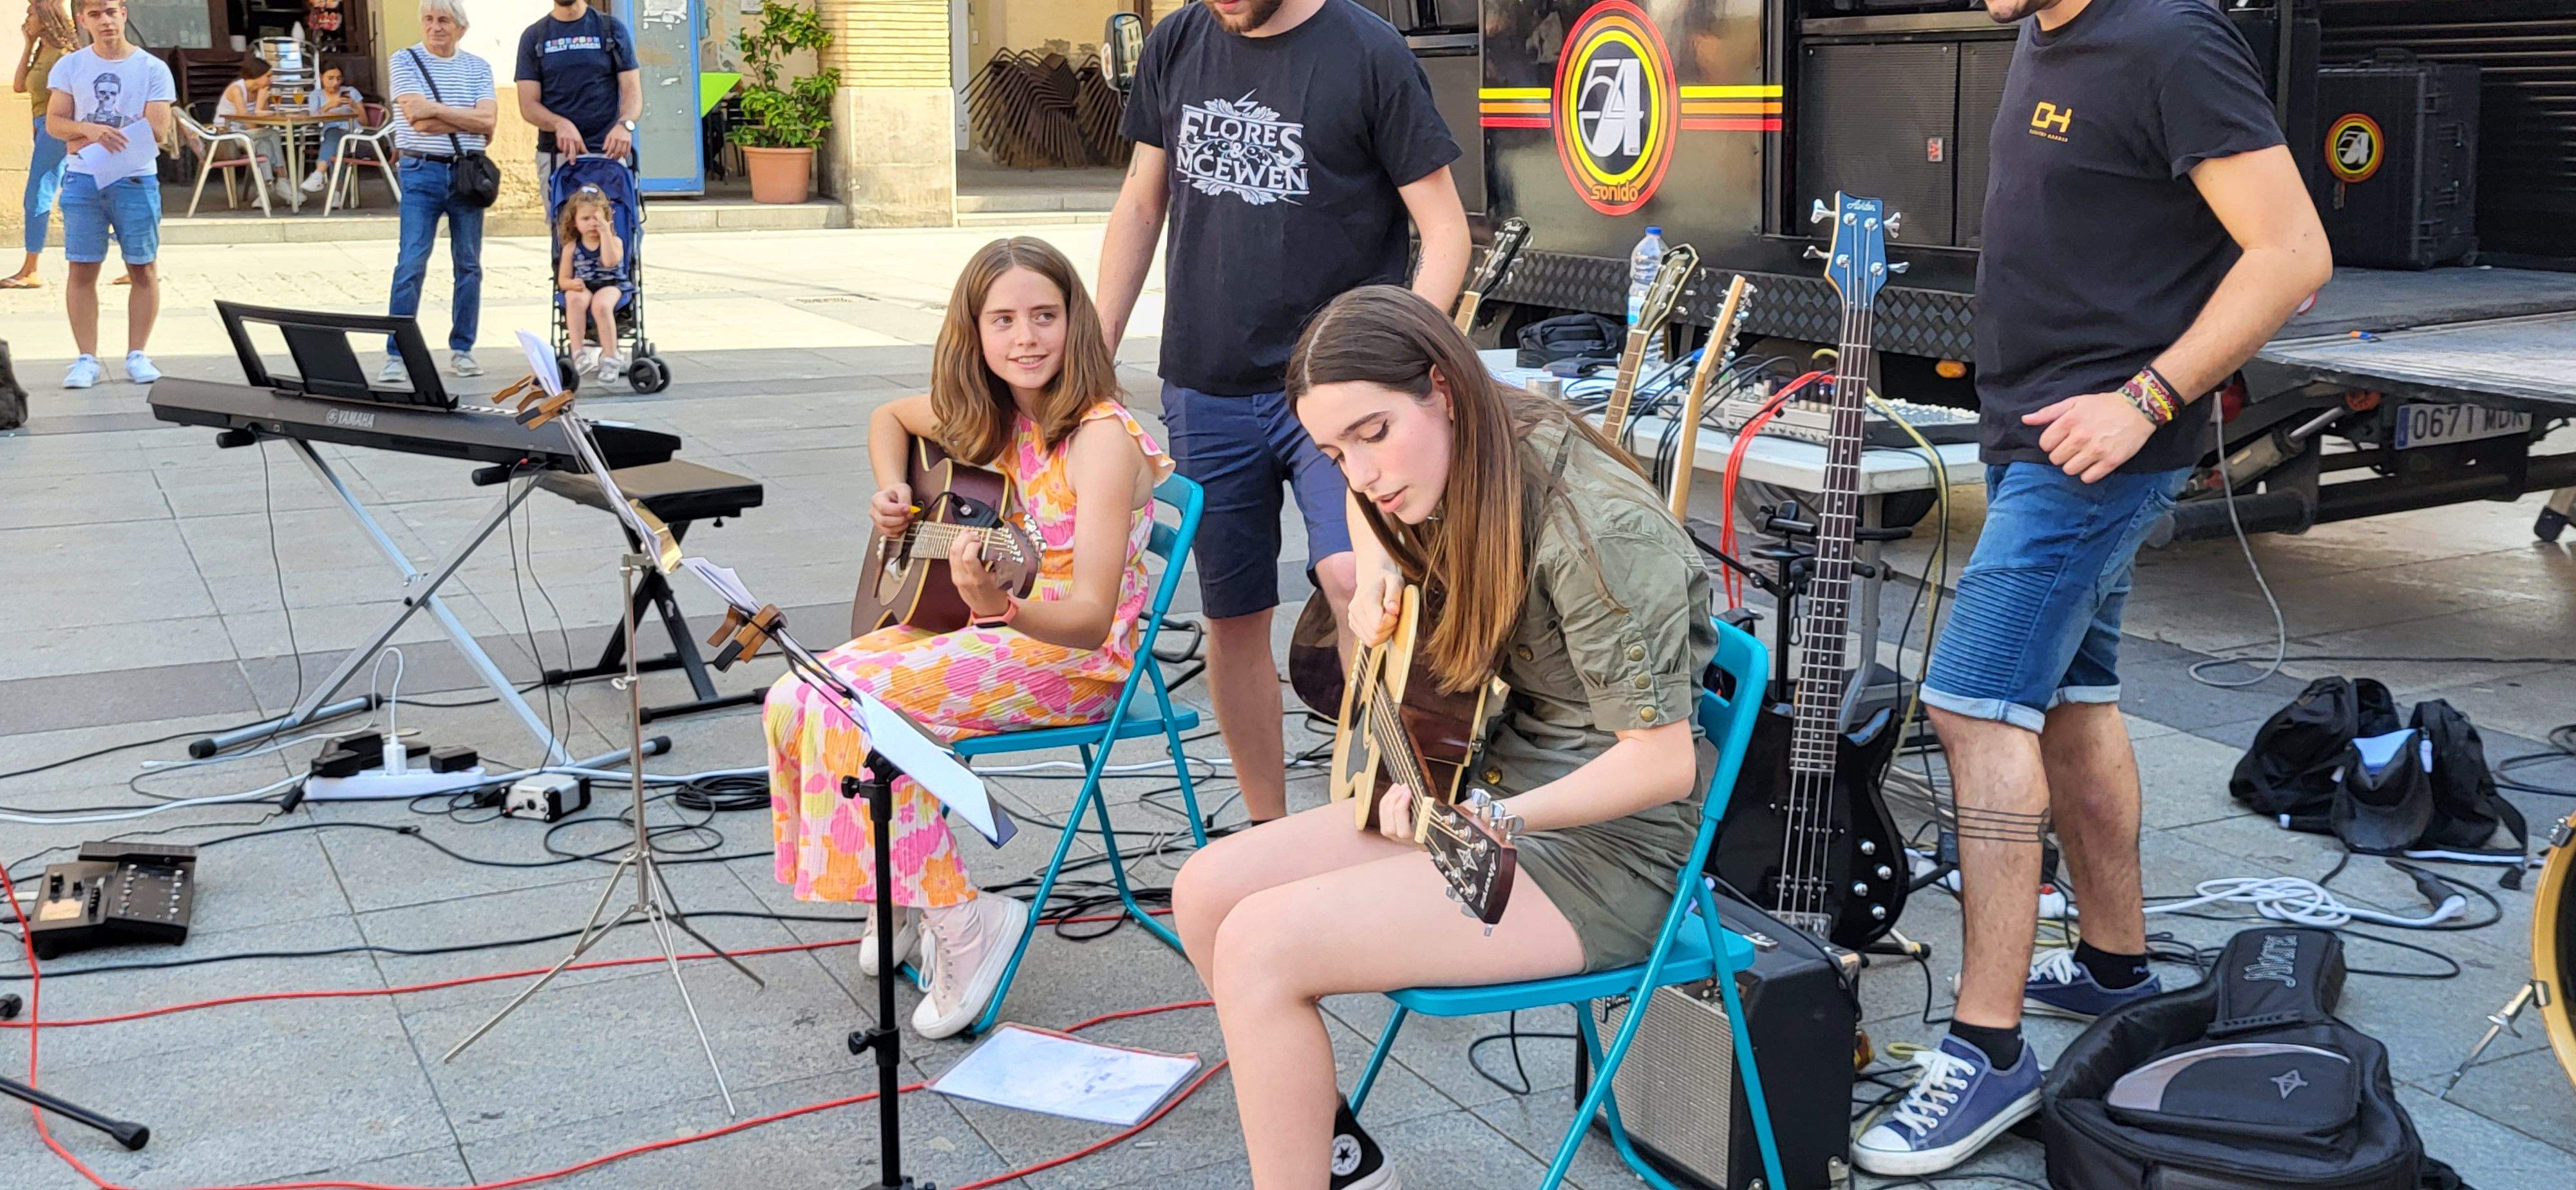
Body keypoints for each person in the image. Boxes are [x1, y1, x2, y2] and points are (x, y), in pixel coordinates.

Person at [1850, 0, 2331, 1176]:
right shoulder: (2047, 30)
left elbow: (2293, 254)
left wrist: (2145, 398)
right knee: (2073, 699)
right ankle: (2117, 966)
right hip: (2039, 435)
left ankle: (1989, 1047)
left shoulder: (2171, 39)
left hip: (2097, 448)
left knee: (1972, 706)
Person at [1172, 286, 1716, 1190]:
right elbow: (1364, 504)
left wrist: (1484, 816)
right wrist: (1381, 557)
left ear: (1443, 389)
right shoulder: (1457, 451)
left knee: (1264, 946)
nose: (1363, 475)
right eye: (1335, 452)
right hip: (1489, 779)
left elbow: (1661, 764)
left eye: (1373, 435)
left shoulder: (1597, 527)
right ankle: (1334, 1158)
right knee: (1206, 889)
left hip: (1603, 852)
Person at [766, 236, 1173, 1040]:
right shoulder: (1002, 417)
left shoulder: (1101, 437)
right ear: (975, 334)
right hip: (1002, 636)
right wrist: (892, 492)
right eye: (1005, 320)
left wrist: (1003, 609)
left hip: (1076, 660)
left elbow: (1090, 617)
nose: (1026, 338)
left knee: (860, 715)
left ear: (1076, 324)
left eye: (1045, 316)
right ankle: (906, 888)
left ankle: (962, 918)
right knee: (793, 695)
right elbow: (889, 417)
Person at [1094, 0, 1470, 827]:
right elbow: (1138, 203)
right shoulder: (1178, 41)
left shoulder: (1367, 51)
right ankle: (1266, 831)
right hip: (1206, 383)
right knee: (1232, 621)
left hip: (1334, 399)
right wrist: (1095, 352)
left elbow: (1445, 231)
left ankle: (1375, 814)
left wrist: (1394, 365)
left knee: (1357, 585)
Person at [45, 0, 171, 388]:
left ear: (124, 14)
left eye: (112, 12)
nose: (106, 21)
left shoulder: (152, 68)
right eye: (96, 14)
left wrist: (80, 138)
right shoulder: (70, 66)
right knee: (82, 267)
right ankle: (86, 358)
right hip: (83, 181)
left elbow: (157, 132)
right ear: (83, 20)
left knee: (143, 268)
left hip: (135, 180)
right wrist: (93, 131)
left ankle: (138, 354)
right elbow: (55, 124)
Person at [382, 0, 497, 384]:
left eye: (444, 20)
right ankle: (396, 355)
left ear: (461, 28)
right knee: (410, 263)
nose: (435, 27)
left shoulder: (478, 67)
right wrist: (464, 118)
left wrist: (437, 111)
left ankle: (462, 349)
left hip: (466, 174)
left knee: (469, 266)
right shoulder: (404, 60)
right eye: (428, 20)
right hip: (420, 171)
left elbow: (489, 121)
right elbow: (415, 119)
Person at [513, 0, 637, 184]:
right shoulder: (534, 37)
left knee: (613, 213)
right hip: (558, 157)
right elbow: (528, 105)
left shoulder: (611, 29)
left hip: (608, 154)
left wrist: (624, 125)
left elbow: (633, 92)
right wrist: (559, 124)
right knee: (562, 214)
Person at [5, 0, 77, 290]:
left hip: (54, 129)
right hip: (41, 128)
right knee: (84, 193)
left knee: (37, 194)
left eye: (31, 14)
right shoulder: (42, 51)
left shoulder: (65, 55)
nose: (26, 19)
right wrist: (27, 44)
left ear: (46, 19)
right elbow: (19, 86)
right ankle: (135, 259)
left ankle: (30, 270)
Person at [553, 184, 629, 381]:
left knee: (601, 305)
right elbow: (563, 280)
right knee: (574, 298)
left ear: (606, 219)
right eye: (586, 219)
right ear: (575, 222)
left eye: (597, 219)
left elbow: (610, 262)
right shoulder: (572, 247)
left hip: (611, 284)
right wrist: (572, 285)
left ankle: (611, 357)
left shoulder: (615, 242)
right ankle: (578, 353)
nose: (592, 224)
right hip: (583, 285)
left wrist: (606, 234)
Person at [212, 55, 296, 207]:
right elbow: (249, 123)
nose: (272, 80)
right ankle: (282, 179)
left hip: (246, 134)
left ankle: (265, 191)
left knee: (265, 143)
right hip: (228, 135)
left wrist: (262, 102)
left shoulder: (260, 90)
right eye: (268, 76)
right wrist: (259, 106)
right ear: (257, 76)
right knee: (273, 134)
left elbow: (262, 123)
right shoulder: (237, 90)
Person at [297, 62, 364, 194]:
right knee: (337, 144)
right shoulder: (316, 95)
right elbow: (314, 119)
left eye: (339, 78)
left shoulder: (351, 92)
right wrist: (329, 106)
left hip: (353, 133)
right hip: (332, 134)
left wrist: (354, 106)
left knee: (337, 139)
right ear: (322, 77)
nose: (335, 82)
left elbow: (364, 121)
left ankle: (318, 176)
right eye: (331, 78)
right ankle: (336, 193)